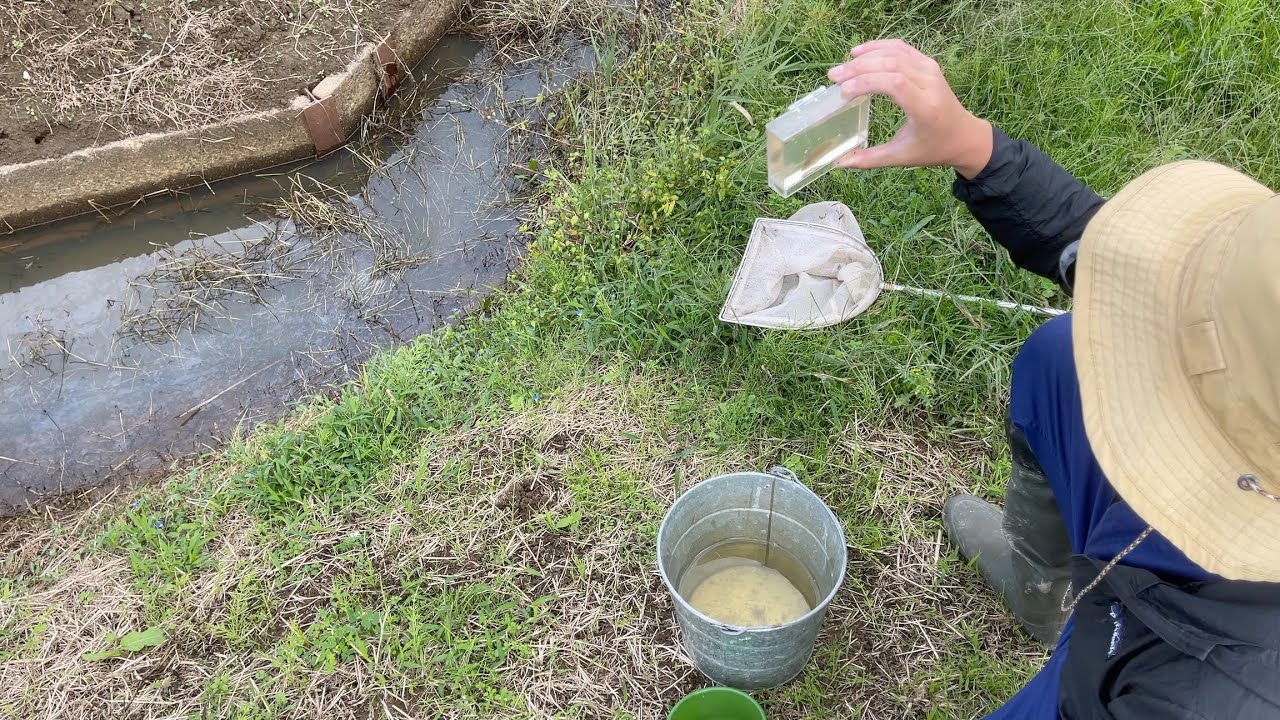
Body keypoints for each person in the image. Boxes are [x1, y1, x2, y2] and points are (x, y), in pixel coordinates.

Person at [826, 39, 1280, 718]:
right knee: (1060, 358)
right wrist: (973, 145)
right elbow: (1127, 271)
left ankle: (1085, 626)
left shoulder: (1209, 699)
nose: (1138, 338)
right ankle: (1041, 586)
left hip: (1146, 668)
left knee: (1064, 690)